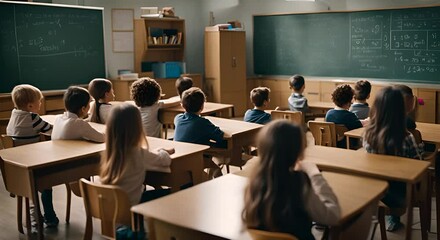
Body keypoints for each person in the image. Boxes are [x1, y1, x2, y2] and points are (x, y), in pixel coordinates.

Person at [243, 120, 340, 240]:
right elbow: (333, 215)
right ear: (298, 151)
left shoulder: (254, 179)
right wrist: (314, 173)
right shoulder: (299, 182)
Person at [363, 86, 423, 231]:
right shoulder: (406, 137)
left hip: (373, 192)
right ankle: (393, 219)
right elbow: (418, 166)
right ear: (401, 108)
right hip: (398, 197)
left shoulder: (367, 136)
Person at [100, 103, 173, 206]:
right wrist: (162, 150)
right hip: (132, 207)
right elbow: (165, 160)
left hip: (113, 208)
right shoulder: (138, 153)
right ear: (137, 127)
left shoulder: (109, 152)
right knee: (176, 191)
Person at [6, 84, 56, 230]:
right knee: (48, 185)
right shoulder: (32, 117)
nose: (41, 104)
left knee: (32, 189)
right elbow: (51, 130)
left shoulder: (14, 114)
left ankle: (34, 217)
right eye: (39, 102)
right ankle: (50, 217)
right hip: (33, 167)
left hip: (17, 169)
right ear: (30, 105)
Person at [174, 87, 227, 178]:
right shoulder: (202, 123)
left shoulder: (178, 118)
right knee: (217, 165)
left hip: (179, 159)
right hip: (195, 159)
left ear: (182, 105)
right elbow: (219, 135)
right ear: (202, 106)